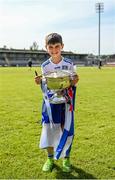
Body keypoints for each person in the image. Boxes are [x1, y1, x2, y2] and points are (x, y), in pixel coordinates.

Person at [35, 33, 79, 172]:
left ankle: (66, 158)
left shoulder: (69, 63)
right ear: (46, 48)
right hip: (51, 103)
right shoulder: (45, 65)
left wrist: (74, 81)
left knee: (66, 129)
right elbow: (45, 84)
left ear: (62, 46)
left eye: (57, 47)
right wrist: (39, 82)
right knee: (48, 129)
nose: (54, 50)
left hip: (66, 103)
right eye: (51, 47)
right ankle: (49, 158)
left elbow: (72, 82)